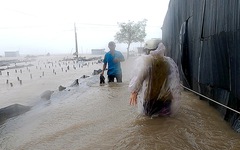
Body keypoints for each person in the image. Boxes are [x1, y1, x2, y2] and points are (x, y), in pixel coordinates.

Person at [129, 39, 181, 117]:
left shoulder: (147, 63)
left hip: (151, 99)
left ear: (148, 51)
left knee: (149, 124)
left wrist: (134, 92)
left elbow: (139, 79)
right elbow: (173, 80)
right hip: (166, 99)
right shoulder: (168, 62)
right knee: (165, 122)